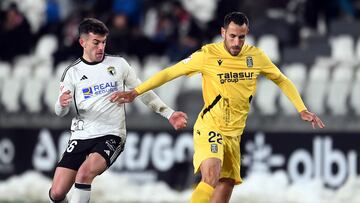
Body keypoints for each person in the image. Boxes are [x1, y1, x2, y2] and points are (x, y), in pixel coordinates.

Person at [110, 12, 325, 203]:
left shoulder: (256, 57)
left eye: (241, 37)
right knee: (210, 177)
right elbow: (169, 72)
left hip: (234, 134)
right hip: (211, 126)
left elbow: (282, 79)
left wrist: (301, 108)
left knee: (224, 188)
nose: (236, 42)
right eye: (232, 36)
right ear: (223, 32)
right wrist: (135, 92)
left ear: (246, 33)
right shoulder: (207, 56)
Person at [49, 18, 188, 203]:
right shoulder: (72, 72)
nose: (101, 47)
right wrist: (61, 104)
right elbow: (61, 112)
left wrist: (169, 113)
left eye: (103, 42)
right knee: (57, 193)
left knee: (84, 174)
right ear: (82, 42)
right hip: (81, 135)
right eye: (96, 42)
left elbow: (142, 91)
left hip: (111, 134)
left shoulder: (119, 64)